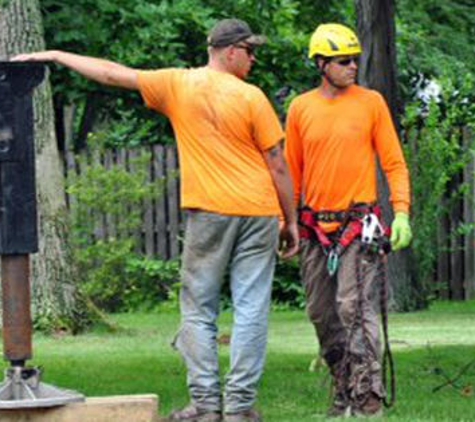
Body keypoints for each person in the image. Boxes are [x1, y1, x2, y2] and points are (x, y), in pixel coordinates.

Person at [13, 18, 299, 422]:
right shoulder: (252, 98)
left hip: (210, 210)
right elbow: (277, 164)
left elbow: (114, 73)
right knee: (252, 308)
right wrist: (291, 220)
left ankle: (205, 405)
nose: (254, 59)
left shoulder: (178, 84)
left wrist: (57, 56)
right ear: (230, 51)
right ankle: (240, 409)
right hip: (259, 210)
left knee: (200, 309)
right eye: (250, 51)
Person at [284, 23, 412, 417]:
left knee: (353, 307)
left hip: (359, 225)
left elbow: (393, 162)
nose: (353, 66)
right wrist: (284, 220)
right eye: (343, 61)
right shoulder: (301, 108)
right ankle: (343, 385)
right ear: (321, 63)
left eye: (355, 59)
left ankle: (368, 392)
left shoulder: (371, 103)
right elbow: (291, 171)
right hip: (313, 228)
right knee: (322, 313)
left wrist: (402, 211)